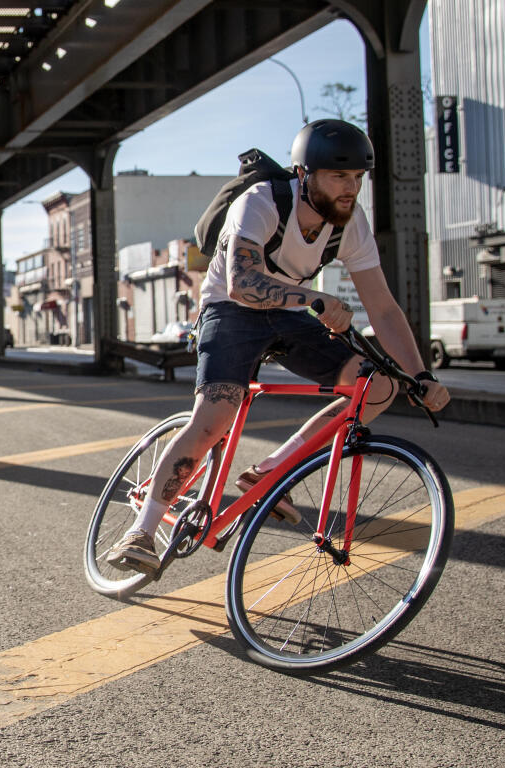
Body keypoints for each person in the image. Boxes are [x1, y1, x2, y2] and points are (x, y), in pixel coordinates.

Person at [101, 119, 452, 575]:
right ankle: (142, 530)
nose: (351, 189)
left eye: (358, 179)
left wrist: (420, 377)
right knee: (215, 416)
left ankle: (268, 474)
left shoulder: (351, 225)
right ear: (305, 174)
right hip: (229, 309)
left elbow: (383, 309)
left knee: (378, 386)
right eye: (339, 177)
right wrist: (315, 298)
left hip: (287, 314)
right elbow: (243, 283)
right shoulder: (262, 201)